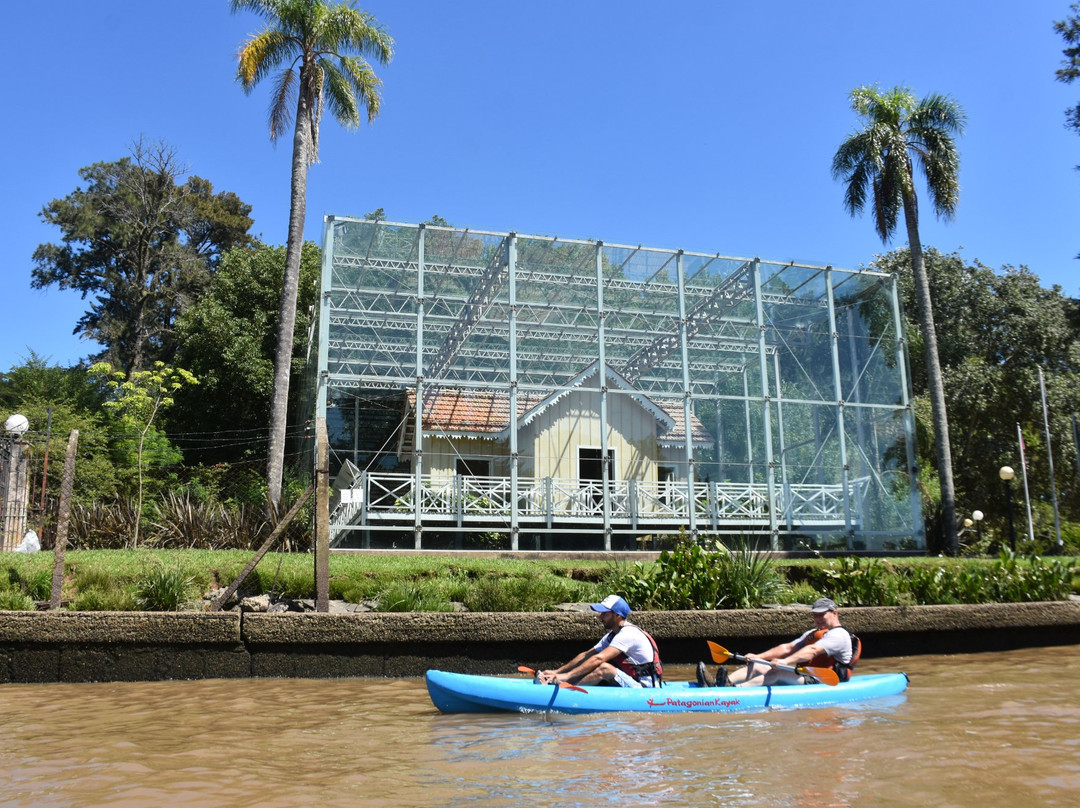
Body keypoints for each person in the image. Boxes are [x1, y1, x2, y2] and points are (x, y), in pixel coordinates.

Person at [698, 597, 856, 687]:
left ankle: (735, 690)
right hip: (806, 675)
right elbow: (788, 647)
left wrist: (785, 661)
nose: (817, 619)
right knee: (756, 664)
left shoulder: (839, 635)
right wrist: (758, 657)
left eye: (822, 615)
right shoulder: (813, 633)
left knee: (777, 672)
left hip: (823, 681)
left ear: (835, 613)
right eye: (815, 615)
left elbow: (812, 651)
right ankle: (719, 684)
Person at [536, 595, 663, 688]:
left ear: (617, 615)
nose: (600, 617)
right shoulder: (612, 635)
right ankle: (560, 681)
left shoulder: (628, 634)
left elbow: (599, 659)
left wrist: (567, 676)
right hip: (631, 680)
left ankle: (564, 687)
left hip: (645, 688)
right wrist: (557, 672)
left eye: (604, 614)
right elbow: (587, 655)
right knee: (590, 664)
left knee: (605, 669)